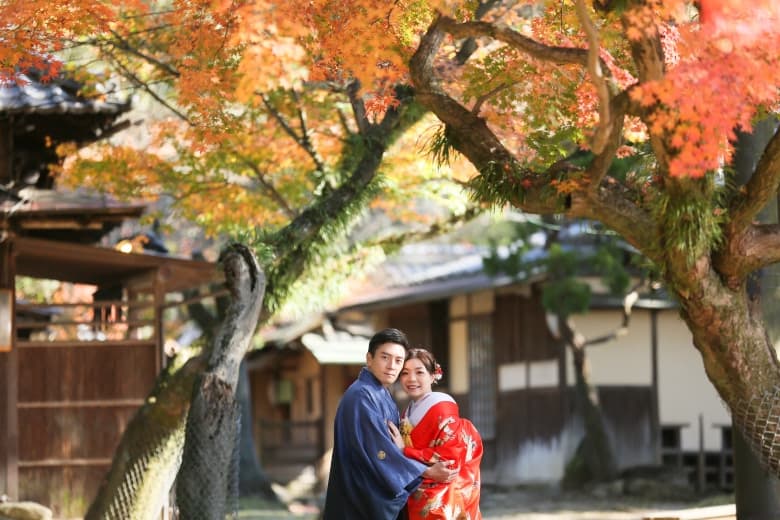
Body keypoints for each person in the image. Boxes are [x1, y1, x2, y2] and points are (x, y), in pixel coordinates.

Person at [322, 328, 456, 520]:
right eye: (385, 357)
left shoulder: (379, 392)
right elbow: (380, 452)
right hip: (360, 497)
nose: (392, 366)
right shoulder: (361, 396)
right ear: (369, 359)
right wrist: (426, 471)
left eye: (398, 360)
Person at [388, 348, 483, 519]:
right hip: (415, 492)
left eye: (419, 372)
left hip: (440, 496)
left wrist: (405, 451)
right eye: (405, 373)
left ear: (433, 375)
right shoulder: (407, 412)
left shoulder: (443, 408)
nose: (411, 379)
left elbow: (450, 462)